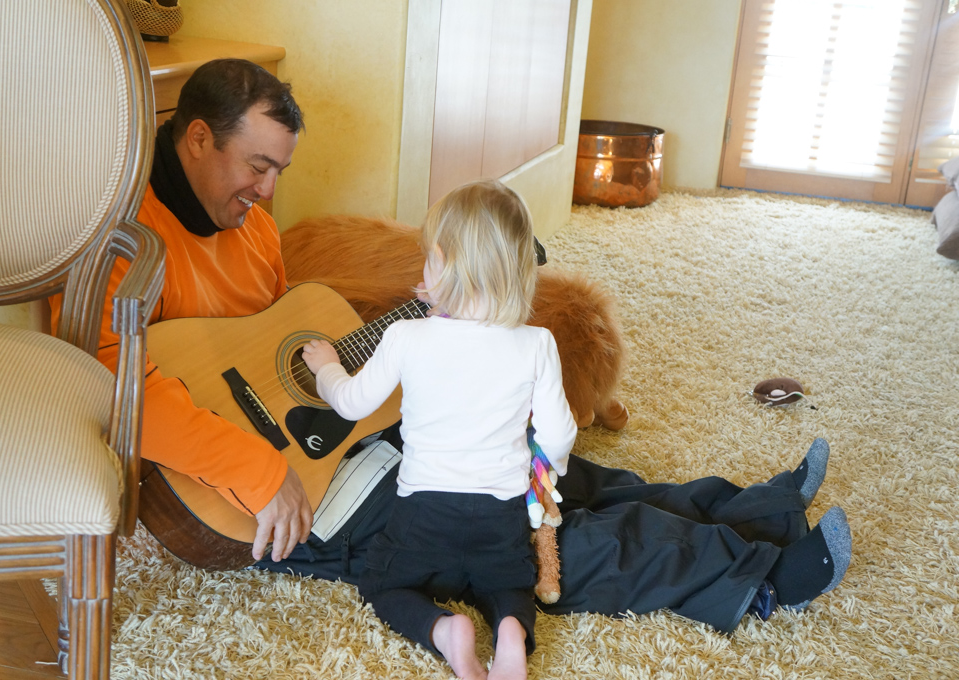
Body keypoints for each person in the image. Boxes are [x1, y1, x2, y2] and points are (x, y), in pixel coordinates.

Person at [64, 57, 852, 649]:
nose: (268, 192)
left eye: (280, 170)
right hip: (286, 495)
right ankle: (755, 578)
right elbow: (108, 381)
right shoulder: (125, 241)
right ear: (198, 139)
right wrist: (260, 471)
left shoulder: (254, 228)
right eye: (257, 166)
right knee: (543, 540)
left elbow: (276, 337)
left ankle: (755, 512)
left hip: (352, 439)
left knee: (551, 471)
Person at [301, 179, 578, 680]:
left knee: (382, 584)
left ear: (444, 264)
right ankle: (510, 631)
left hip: (423, 513)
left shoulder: (405, 335)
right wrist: (548, 471)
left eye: (427, 257)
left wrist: (326, 368)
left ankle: (445, 632)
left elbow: (350, 402)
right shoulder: (537, 342)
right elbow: (559, 434)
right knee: (508, 585)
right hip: (499, 514)